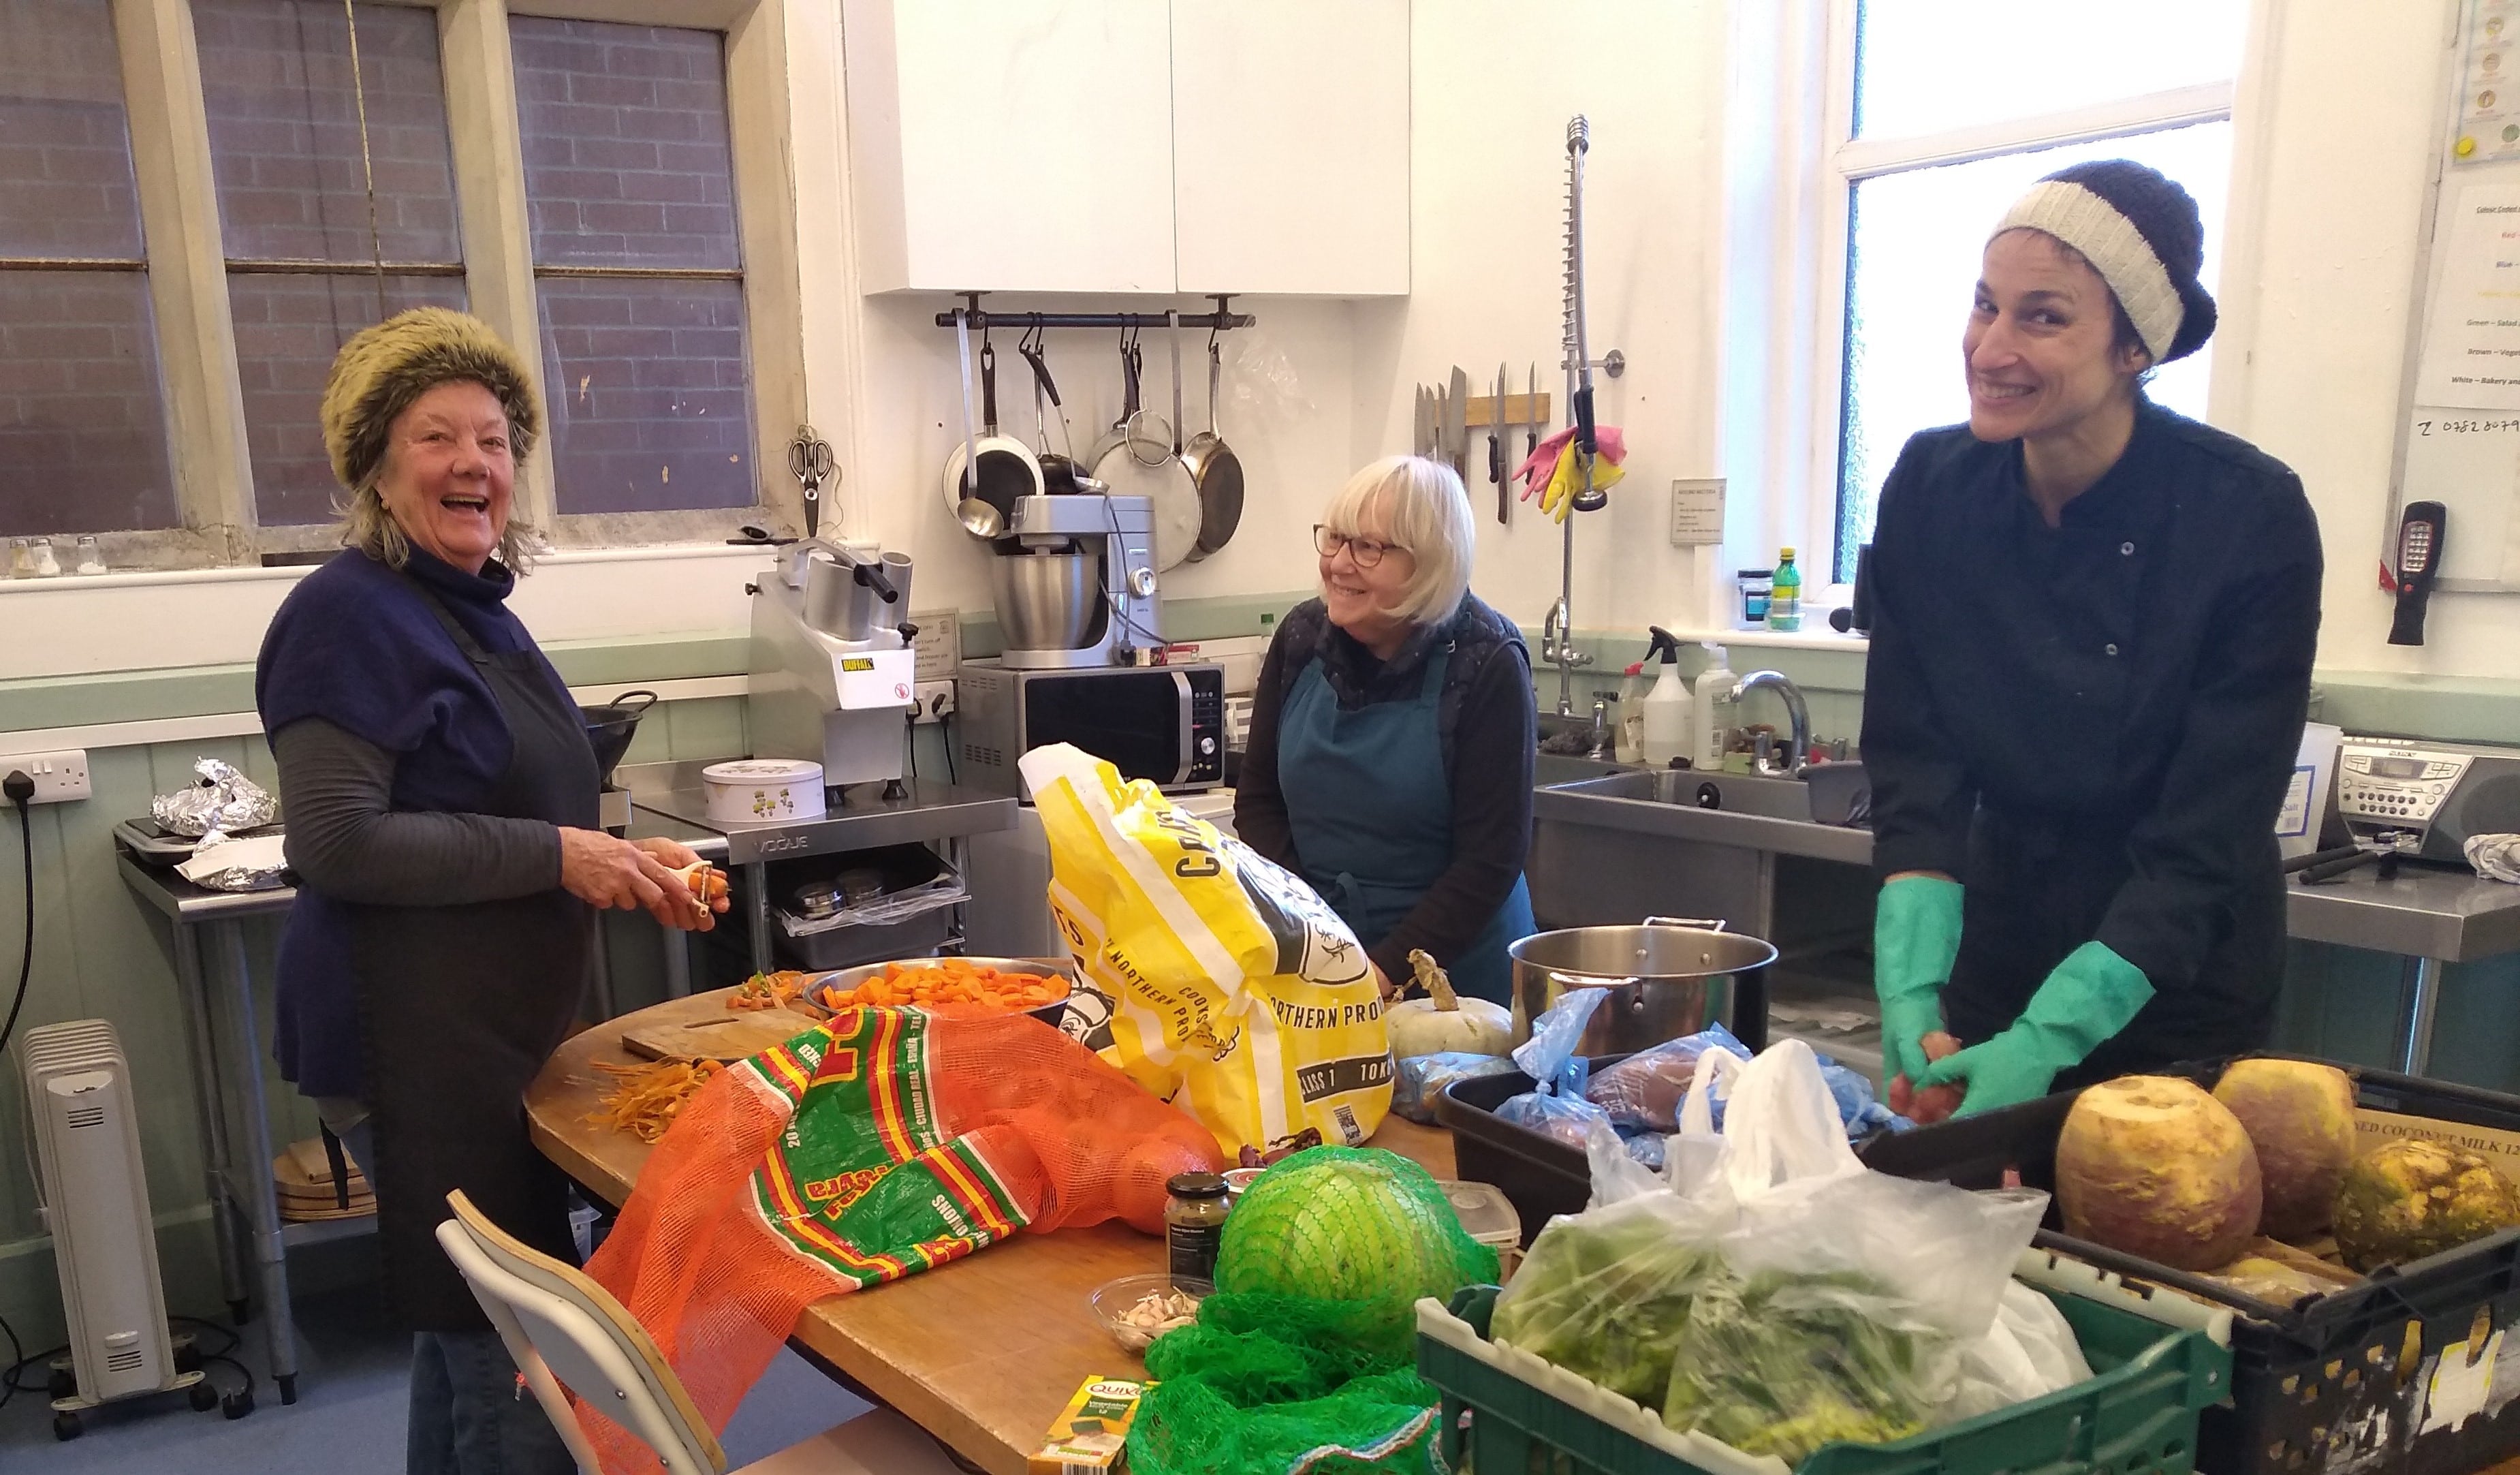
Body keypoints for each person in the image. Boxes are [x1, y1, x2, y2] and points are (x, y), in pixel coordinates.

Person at [255, 307, 725, 1474]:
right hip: (413, 1045)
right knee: (522, 1363)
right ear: (374, 465)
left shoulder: (472, 609)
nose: (475, 463)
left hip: (485, 1034)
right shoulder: (346, 614)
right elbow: (337, 842)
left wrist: (624, 861)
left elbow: (511, 806)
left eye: (496, 439)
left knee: (466, 1327)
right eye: (435, 437)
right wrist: (564, 857)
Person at [1862, 160, 2323, 1119]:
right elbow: (1917, 751)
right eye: (1985, 305)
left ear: (2134, 349)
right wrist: (1912, 982)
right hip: (1996, 942)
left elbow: (2211, 830)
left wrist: (2057, 1032)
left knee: (2150, 1226)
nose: (1989, 347)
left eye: (2043, 316)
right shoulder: (1931, 486)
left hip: (2175, 973)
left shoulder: (2247, 516)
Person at [1235, 454, 1538, 1004]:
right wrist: (1319, 941)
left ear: (1428, 564)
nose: (1339, 565)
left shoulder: (1488, 659)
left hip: (1461, 983)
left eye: (1368, 547)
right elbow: (1258, 802)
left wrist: (1385, 968)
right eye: (1335, 539)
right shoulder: (1303, 636)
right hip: (1320, 958)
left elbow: (1490, 858)